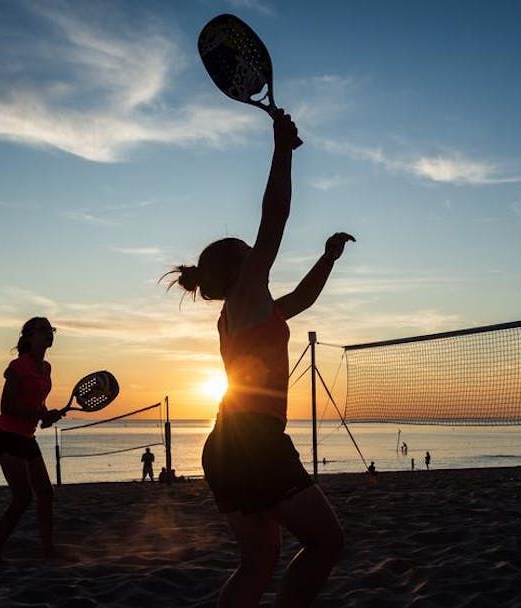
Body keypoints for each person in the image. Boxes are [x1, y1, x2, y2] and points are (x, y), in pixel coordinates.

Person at [165, 110, 350, 607]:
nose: (259, 252)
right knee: (326, 542)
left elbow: (302, 300)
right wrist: (282, 150)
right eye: (250, 251)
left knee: (259, 560)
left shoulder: (252, 308)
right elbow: (275, 217)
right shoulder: (246, 294)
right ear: (237, 267)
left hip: (226, 445)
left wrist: (327, 259)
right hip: (253, 442)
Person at [0, 317, 65, 563]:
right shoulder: (18, 366)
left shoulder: (46, 368)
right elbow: (6, 405)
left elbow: (37, 404)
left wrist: (46, 416)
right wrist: (41, 414)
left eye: (50, 329)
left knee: (46, 493)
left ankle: (48, 551)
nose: (48, 333)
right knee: (23, 497)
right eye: (42, 329)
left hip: (26, 437)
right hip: (6, 436)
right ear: (28, 337)